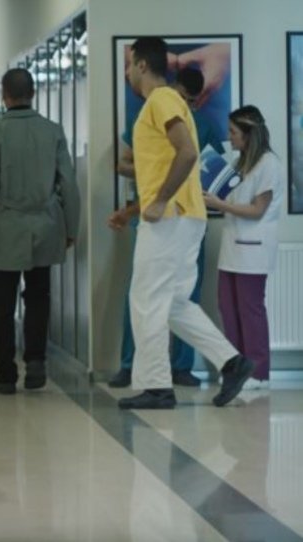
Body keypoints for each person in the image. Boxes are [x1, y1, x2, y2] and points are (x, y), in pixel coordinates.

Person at [118, 37, 253, 410]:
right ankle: (232, 362)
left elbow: (188, 152)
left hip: (171, 217)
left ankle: (156, 387)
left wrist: (160, 200)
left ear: (142, 64)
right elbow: (166, 163)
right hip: (185, 216)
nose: (128, 73)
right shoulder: (168, 102)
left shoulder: (161, 100)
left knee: (146, 299)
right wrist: (136, 209)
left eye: (130, 65)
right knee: (174, 302)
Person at [108, 67, 220, 388]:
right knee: (149, 297)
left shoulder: (197, 121)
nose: (187, 105)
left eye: (193, 101)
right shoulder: (158, 107)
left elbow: (206, 164)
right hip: (165, 212)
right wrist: (150, 174)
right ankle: (136, 367)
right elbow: (124, 163)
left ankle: (174, 371)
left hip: (178, 213)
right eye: (185, 97)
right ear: (176, 88)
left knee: (171, 298)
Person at [0, 68, 81, 395]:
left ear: (4, 96)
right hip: (46, 225)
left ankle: (6, 374)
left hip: (7, 227)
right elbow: (68, 184)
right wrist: (71, 226)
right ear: (33, 93)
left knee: (3, 304)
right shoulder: (53, 131)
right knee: (38, 297)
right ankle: (36, 363)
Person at [204, 105, 285, 390]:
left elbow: (257, 210)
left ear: (249, 134)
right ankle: (236, 368)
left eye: (233, 132)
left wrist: (219, 204)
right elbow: (229, 198)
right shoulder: (239, 164)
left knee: (250, 310)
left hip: (254, 247)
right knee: (228, 308)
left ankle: (258, 373)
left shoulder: (269, 165)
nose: (229, 137)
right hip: (232, 246)